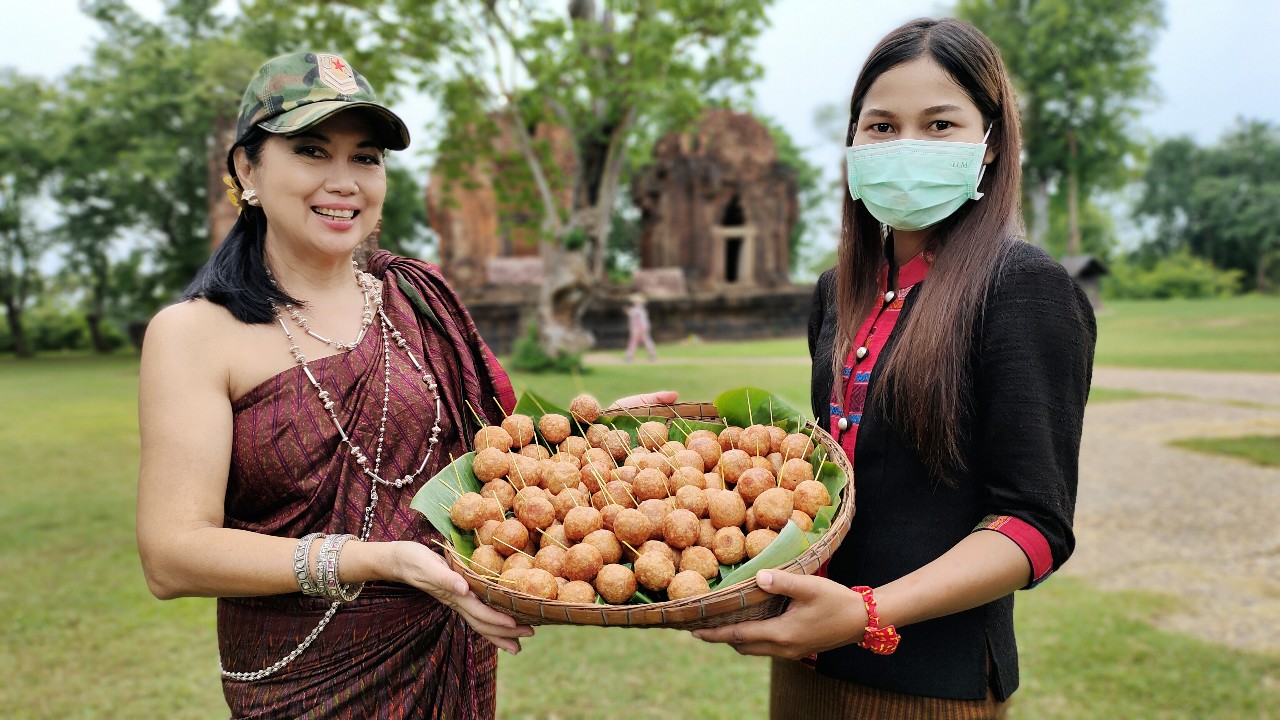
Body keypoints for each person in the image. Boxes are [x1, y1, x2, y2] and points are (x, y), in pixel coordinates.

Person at [136, 52, 672, 718]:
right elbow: (172, 555)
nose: (344, 182)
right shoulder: (193, 334)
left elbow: (494, 462)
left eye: (365, 158)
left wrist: (593, 446)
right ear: (247, 169)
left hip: (448, 653)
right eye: (311, 151)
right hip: (302, 679)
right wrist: (376, 560)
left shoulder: (416, 299)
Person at [693, 18, 1096, 719]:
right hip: (806, 657)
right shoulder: (839, 291)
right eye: (881, 126)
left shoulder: (1022, 288)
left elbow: (1035, 524)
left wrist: (866, 612)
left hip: (928, 684)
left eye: (940, 125)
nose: (906, 145)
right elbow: (828, 477)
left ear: (990, 145)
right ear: (854, 144)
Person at [624, 292, 657, 362]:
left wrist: (627, 311)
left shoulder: (635, 309)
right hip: (644, 326)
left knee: (634, 341)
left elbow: (633, 317)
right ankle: (652, 355)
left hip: (637, 327)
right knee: (646, 340)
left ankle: (629, 356)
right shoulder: (642, 309)